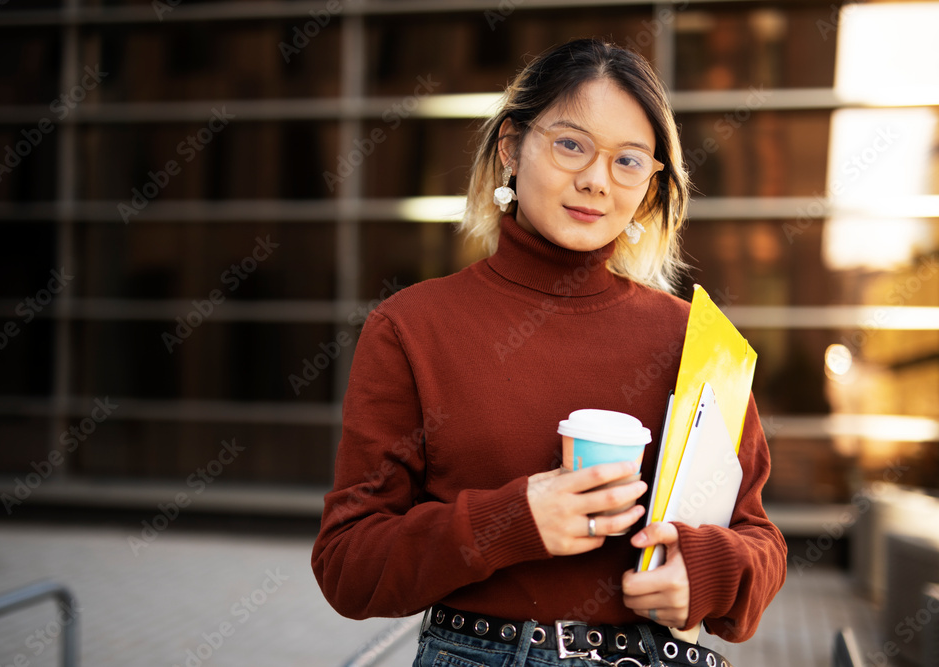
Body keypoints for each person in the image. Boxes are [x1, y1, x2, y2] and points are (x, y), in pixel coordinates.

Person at [312, 38, 786, 667]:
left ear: (650, 186)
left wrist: (704, 575)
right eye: (571, 144)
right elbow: (348, 564)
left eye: (628, 161)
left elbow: (761, 540)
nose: (594, 179)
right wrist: (510, 522)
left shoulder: (696, 341)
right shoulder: (412, 328)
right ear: (511, 145)